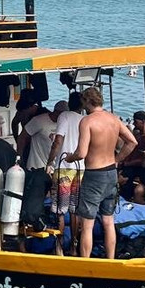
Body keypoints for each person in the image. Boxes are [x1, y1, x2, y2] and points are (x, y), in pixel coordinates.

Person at [63, 86, 137, 259]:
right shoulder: (114, 119)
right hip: (111, 172)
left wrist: (70, 158)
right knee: (108, 221)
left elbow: (81, 153)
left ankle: (86, 262)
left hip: (94, 174)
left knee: (87, 224)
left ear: (87, 102)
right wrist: (117, 159)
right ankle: (110, 260)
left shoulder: (87, 121)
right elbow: (132, 142)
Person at [19, 101, 65, 227]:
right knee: (37, 199)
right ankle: (32, 224)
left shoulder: (65, 124)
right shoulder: (39, 121)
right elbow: (23, 137)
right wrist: (19, 157)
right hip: (37, 166)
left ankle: (49, 227)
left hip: (56, 168)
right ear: (56, 112)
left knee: (55, 202)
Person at [50, 93, 84, 252]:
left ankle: (59, 246)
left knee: (60, 210)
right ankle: (74, 246)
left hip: (64, 166)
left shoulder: (64, 115)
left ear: (70, 103)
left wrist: (50, 160)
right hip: (81, 168)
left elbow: (58, 141)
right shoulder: (84, 119)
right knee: (75, 209)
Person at [119, 111, 145, 198]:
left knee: (124, 178)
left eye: (136, 122)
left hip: (140, 167)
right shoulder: (137, 134)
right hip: (130, 163)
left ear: (143, 122)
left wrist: (126, 164)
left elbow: (144, 162)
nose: (134, 124)